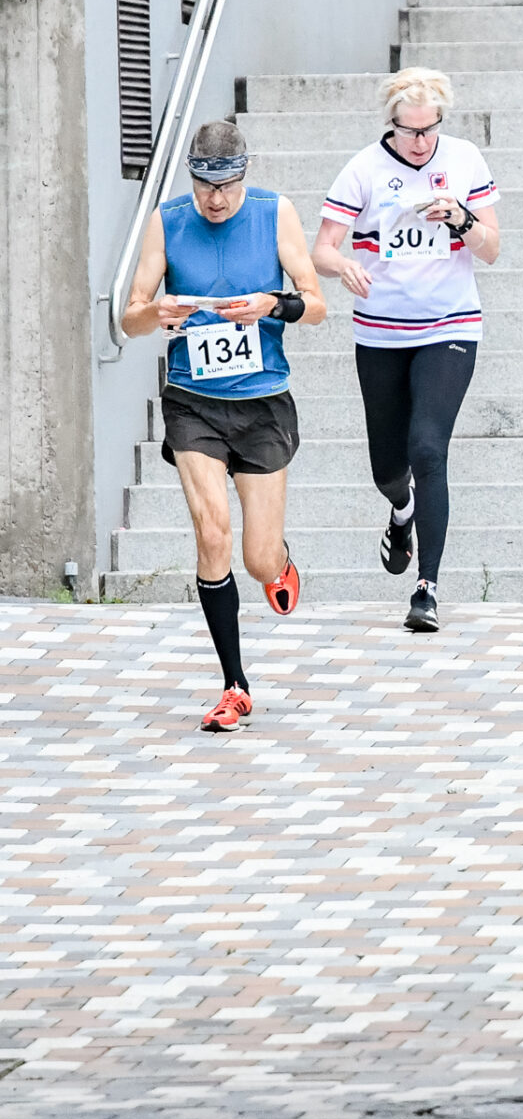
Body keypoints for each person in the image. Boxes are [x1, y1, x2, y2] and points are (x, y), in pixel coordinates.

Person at [120, 120, 327, 733]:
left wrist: (273, 304)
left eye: (228, 186)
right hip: (193, 400)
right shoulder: (166, 221)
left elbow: (316, 306)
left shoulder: (274, 213)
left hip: (262, 400)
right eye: (206, 186)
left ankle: (279, 564)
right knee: (212, 532)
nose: (216, 199)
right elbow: (129, 319)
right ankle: (234, 685)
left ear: (245, 174)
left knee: (257, 558)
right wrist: (158, 312)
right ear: (191, 177)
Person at [312, 67, 501, 634]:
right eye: (410, 131)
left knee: (428, 449)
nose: (421, 142)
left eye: (429, 129)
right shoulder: (364, 169)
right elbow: (322, 248)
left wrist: (461, 218)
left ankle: (427, 589)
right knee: (388, 468)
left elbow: (491, 248)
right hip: (381, 332)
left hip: (450, 325)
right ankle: (402, 510)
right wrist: (343, 266)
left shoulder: (464, 160)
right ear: (390, 124)